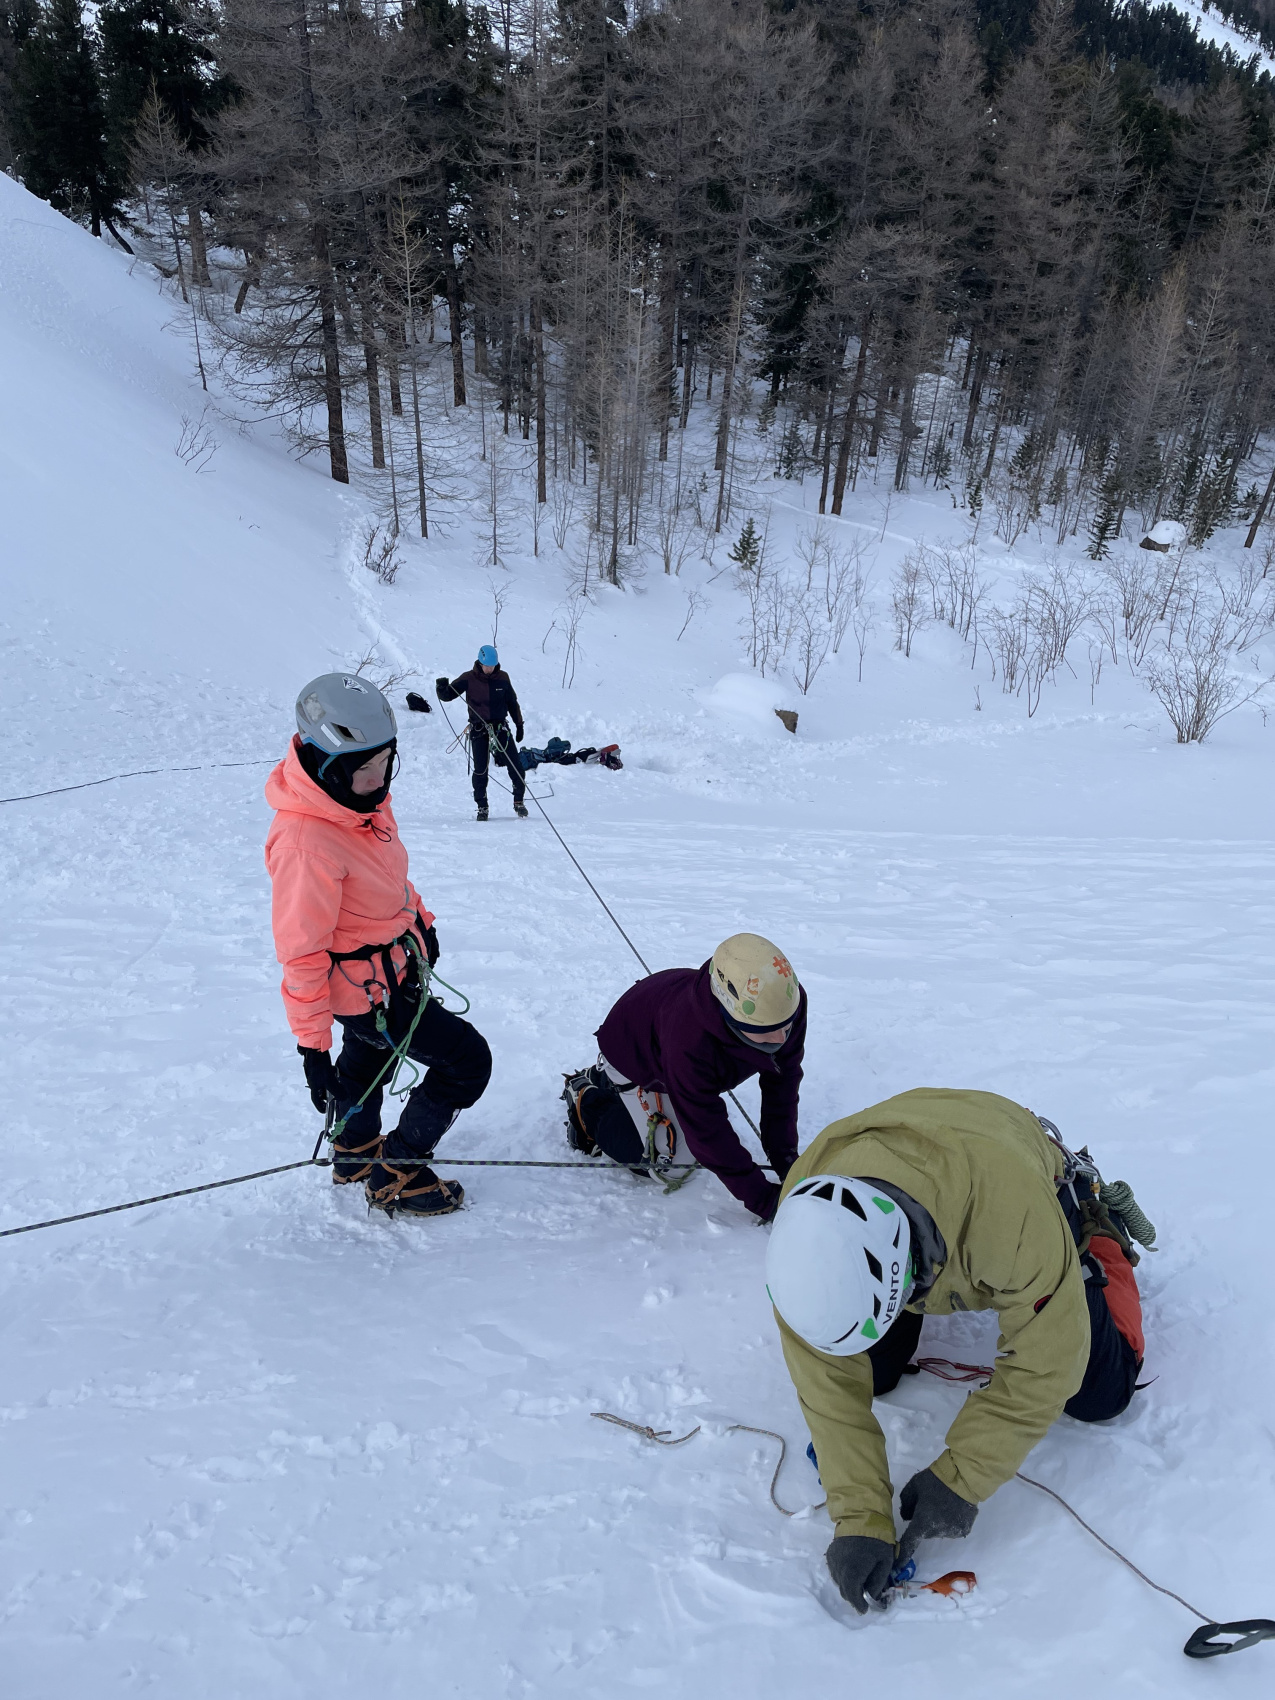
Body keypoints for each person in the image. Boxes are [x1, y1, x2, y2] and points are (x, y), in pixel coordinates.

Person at [765, 1088, 1148, 1614]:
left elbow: (1047, 1363)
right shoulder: (807, 1231)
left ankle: (1098, 1234)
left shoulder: (1014, 1221)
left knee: (1099, 1393)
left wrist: (961, 1478)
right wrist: (860, 1519)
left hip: (1011, 1166)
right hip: (915, 1184)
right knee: (869, 1373)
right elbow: (828, 1384)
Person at [264, 673, 492, 1218]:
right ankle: (398, 1171)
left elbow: (388, 879)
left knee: (369, 1067)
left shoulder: (359, 802)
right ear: (324, 762)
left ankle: (354, 1154)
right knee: (467, 1062)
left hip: (392, 971)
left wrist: (421, 921)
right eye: (363, 769)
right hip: (363, 992)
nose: (378, 779)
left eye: (385, 762)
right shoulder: (306, 843)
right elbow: (301, 953)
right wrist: (311, 1047)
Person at [562, 933, 806, 1221]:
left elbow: (783, 1083)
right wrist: (764, 1199)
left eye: (786, 1026)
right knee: (671, 1165)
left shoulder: (784, 1005)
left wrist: (786, 1159)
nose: (781, 1037)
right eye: (766, 1030)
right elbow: (706, 1129)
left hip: (665, 1039)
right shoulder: (690, 1041)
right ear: (728, 1012)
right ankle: (589, 1100)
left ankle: (616, 1092)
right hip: (634, 1055)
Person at [435, 644, 527, 821]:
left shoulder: (503, 678)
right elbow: (448, 695)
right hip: (479, 728)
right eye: (487, 666)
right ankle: (482, 807)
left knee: (515, 764)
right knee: (480, 769)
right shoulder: (468, 678)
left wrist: (519, 725)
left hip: (500, 727)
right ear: (480, 662)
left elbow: (512, 703)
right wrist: (441, 688)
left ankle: (519, 802)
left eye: (493, 666)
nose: (490, 670)